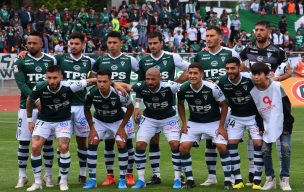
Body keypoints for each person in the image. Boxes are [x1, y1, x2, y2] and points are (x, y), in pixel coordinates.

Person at [25, 65, 96, 191]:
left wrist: (115, 84)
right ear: (46, 77)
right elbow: (30, 100)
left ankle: (63, 181)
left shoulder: (69, 85)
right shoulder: (40, 87)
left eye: (55, 78)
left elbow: (91, 80)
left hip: (63, 121)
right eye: (49, 78)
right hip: (44, 120)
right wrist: (30, 120)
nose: (52, 81)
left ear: (61, 77)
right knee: (35, 147)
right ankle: (37, 183)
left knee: (63, 147)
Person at [240, 20, 292, 186]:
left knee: (282, 146)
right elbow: (240, 67)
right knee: (255, 138)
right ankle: (254, 171)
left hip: (274, 96)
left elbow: (289, 72)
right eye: (256, 30)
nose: (258, 32)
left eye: (262, 29)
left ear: (268, 31)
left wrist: (276, 78)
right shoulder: (248, 49)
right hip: (254, 97)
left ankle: (284, 178)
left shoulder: (278, 51)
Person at [135, 32, 190, 185]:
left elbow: (190, 68)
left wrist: (176, 82)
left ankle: (180, 177)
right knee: (152, 140)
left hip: (169, 107)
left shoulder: (172, 57)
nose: (152, 46)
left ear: (161, 43)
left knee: (174, 144)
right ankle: (155, 175)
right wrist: (137, 106)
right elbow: (140, 86)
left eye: (155, 43)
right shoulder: (144, 61)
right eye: (150, 43)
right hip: (151, 109)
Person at [87, 31, 139, 187]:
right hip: (103, 107)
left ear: (121, 43)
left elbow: (141, 77)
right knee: (108, 144)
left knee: (127, 143)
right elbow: (92, 75)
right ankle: (110, 176)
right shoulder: (101, 60)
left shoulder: (130, 60)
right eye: (109, 42)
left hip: (122, 106)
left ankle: (129, 174)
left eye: (115, 42)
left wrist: (136, 103)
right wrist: (113, 83)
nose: (111, 45)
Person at [118, 68, 183, 189]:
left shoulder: (169, 86)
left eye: (153, 79)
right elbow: (127, 86)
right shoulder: (141, 85)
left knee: (175, 144)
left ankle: (178, 178)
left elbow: (186, 86)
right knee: (139, 145)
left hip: (169, 118)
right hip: (149, 119)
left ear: (160, 78)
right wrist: (113, 84)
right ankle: (141, 180)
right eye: (148, 79)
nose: (150, 82)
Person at [193, 25, 239, 186]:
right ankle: (211, 176)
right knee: (210, 142)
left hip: (228, 104)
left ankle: (233, 175)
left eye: (212, 35)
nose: (208, 38)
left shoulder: (230, 53)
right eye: (207, 36)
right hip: (209, 106)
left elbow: (239, 72)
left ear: (220, 38)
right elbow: (194, 75)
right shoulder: (200, 55)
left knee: (229, 141)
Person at [178, 63, 232, 189]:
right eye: (190, 73)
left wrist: (222, 126)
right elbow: (180, 104)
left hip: (213, 122)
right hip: (194, 122)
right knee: (183, 147)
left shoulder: (212, 87)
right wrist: (184, 124)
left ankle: (228, 180)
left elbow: (224, 105)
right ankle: (190, 180)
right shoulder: (183, 88)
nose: (192, 76)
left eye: (195, 73)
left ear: (202, 74)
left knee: (222, 146)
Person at [13, 31, 56, 189]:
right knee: (24, 143)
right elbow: (22, 85)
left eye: (34, 43)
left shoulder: (51, 60)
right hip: (26, 108)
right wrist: (36, 97)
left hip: (48, 108)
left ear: (42, 44)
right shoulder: (20, 61)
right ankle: (22, 176)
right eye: (28, 43)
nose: (30, 45)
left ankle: (49, 176)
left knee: (48, 143)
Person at [54, 32, 96, 184]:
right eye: (71, 44)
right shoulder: (60, 59)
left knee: (81, 142)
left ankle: (83, 173)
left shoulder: (89, 62)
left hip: (80, 108)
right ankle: (61, 174)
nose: (73, 46)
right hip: (63, 106)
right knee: (62, 142)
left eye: (76, 44)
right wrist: (24, 53)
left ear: (83, 45)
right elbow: (43, 59)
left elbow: (99, 76)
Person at [83, 69, 134, 189]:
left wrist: (121, 128)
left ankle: (122, 179)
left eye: (104, 81)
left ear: (110, 81)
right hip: (100, 121)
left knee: (122, 144)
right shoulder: (91, 93)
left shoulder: (119, 93)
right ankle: (92, 180)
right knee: (92, 142)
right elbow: (86, 109)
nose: (101, 84)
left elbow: (130, 109)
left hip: (118, 121)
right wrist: (92, 128)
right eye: (99, 81)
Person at [218, 57, 264, 190]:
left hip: (253, 117)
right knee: (231, 144)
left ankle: (257, 180)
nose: (230, 71)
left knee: (257, 144)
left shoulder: (249, 79)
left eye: (233, 68)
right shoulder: (222, 82)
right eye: (227, 69)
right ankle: (238, 179)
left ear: (239, 68)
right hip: (236, 117)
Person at [250, 62, 294, 191]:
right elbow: (257, 112)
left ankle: (285, 179)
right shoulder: (252, 91)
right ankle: (270, 179)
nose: (256, 77)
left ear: (267, 74)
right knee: (265, 151)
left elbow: (287, 107)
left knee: (285, 150)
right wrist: (261, 127)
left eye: (259, 74)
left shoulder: (276, 86)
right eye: (254, 74)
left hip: (282, 123)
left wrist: (287, 127)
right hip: (266, 125)